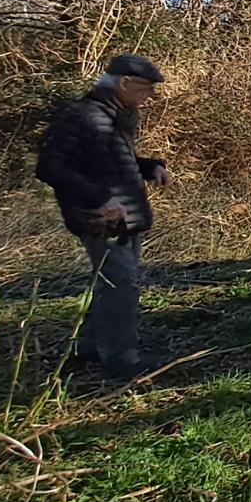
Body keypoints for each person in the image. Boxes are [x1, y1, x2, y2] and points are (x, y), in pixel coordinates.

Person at [35, 54, 169, 379]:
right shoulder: (80, 116)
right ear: (123, 83)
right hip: (100, 218)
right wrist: (100, 199)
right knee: (121, 285)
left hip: (127, 215)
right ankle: (121, 358)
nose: (149, 96)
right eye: (146, 88)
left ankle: (92, 346)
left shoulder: (114, 116)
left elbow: (114, 162)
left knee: (111, 283)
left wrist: (150, 167)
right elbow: (50, 167)